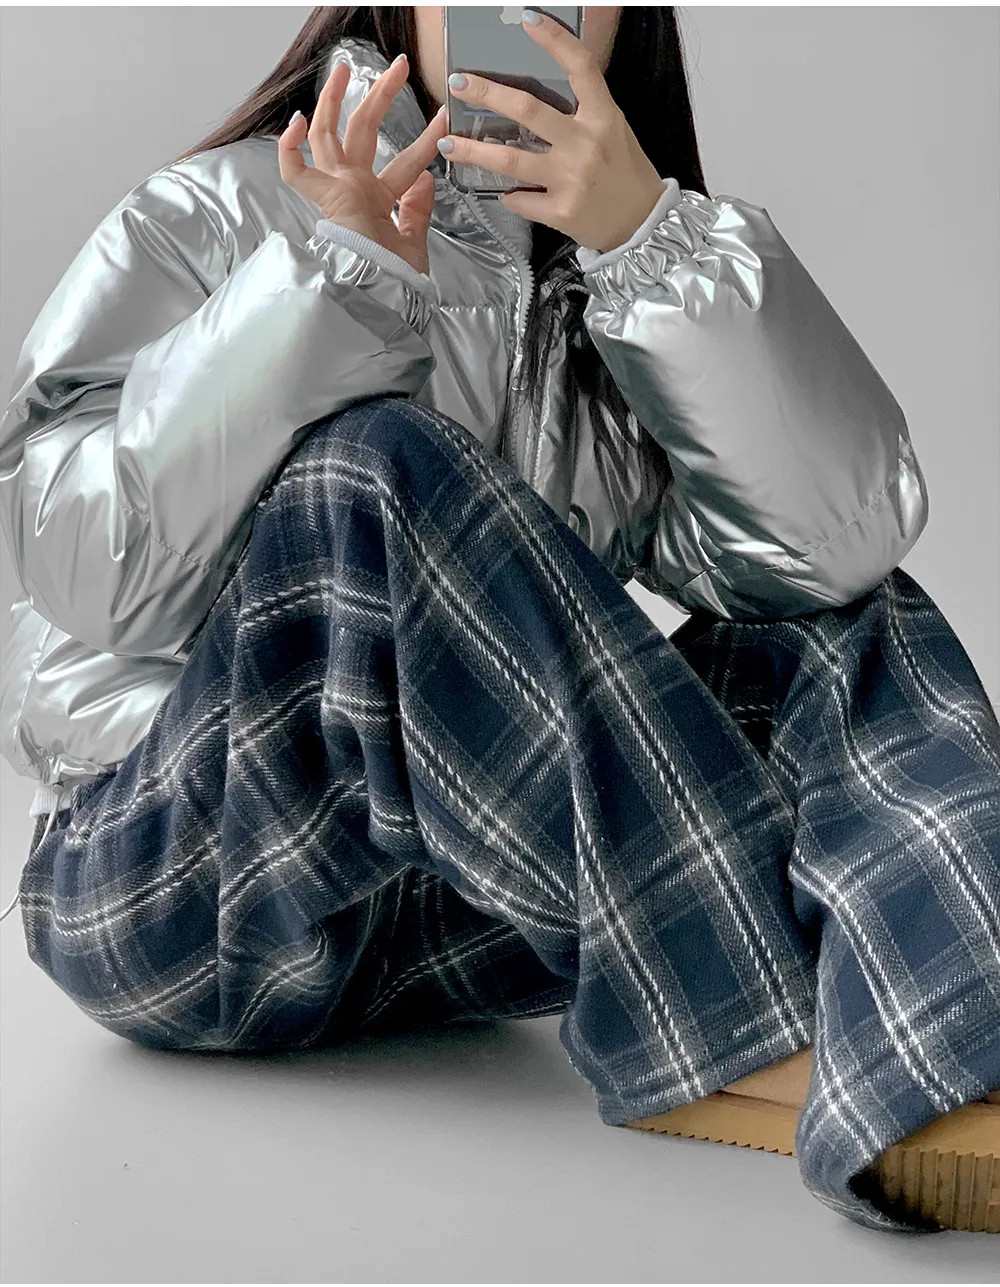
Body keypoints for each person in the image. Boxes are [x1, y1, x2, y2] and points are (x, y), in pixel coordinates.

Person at [0, 5, 997, 1236]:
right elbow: (83, 566)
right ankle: (747, 1014)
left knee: (845, 628)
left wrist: (653, 248)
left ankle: (955, 1028)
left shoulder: (593, 264)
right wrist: (331, 282)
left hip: (445, 918)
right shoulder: (217, 211)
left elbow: (829, 550)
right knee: (375, 470)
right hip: (176, 891)